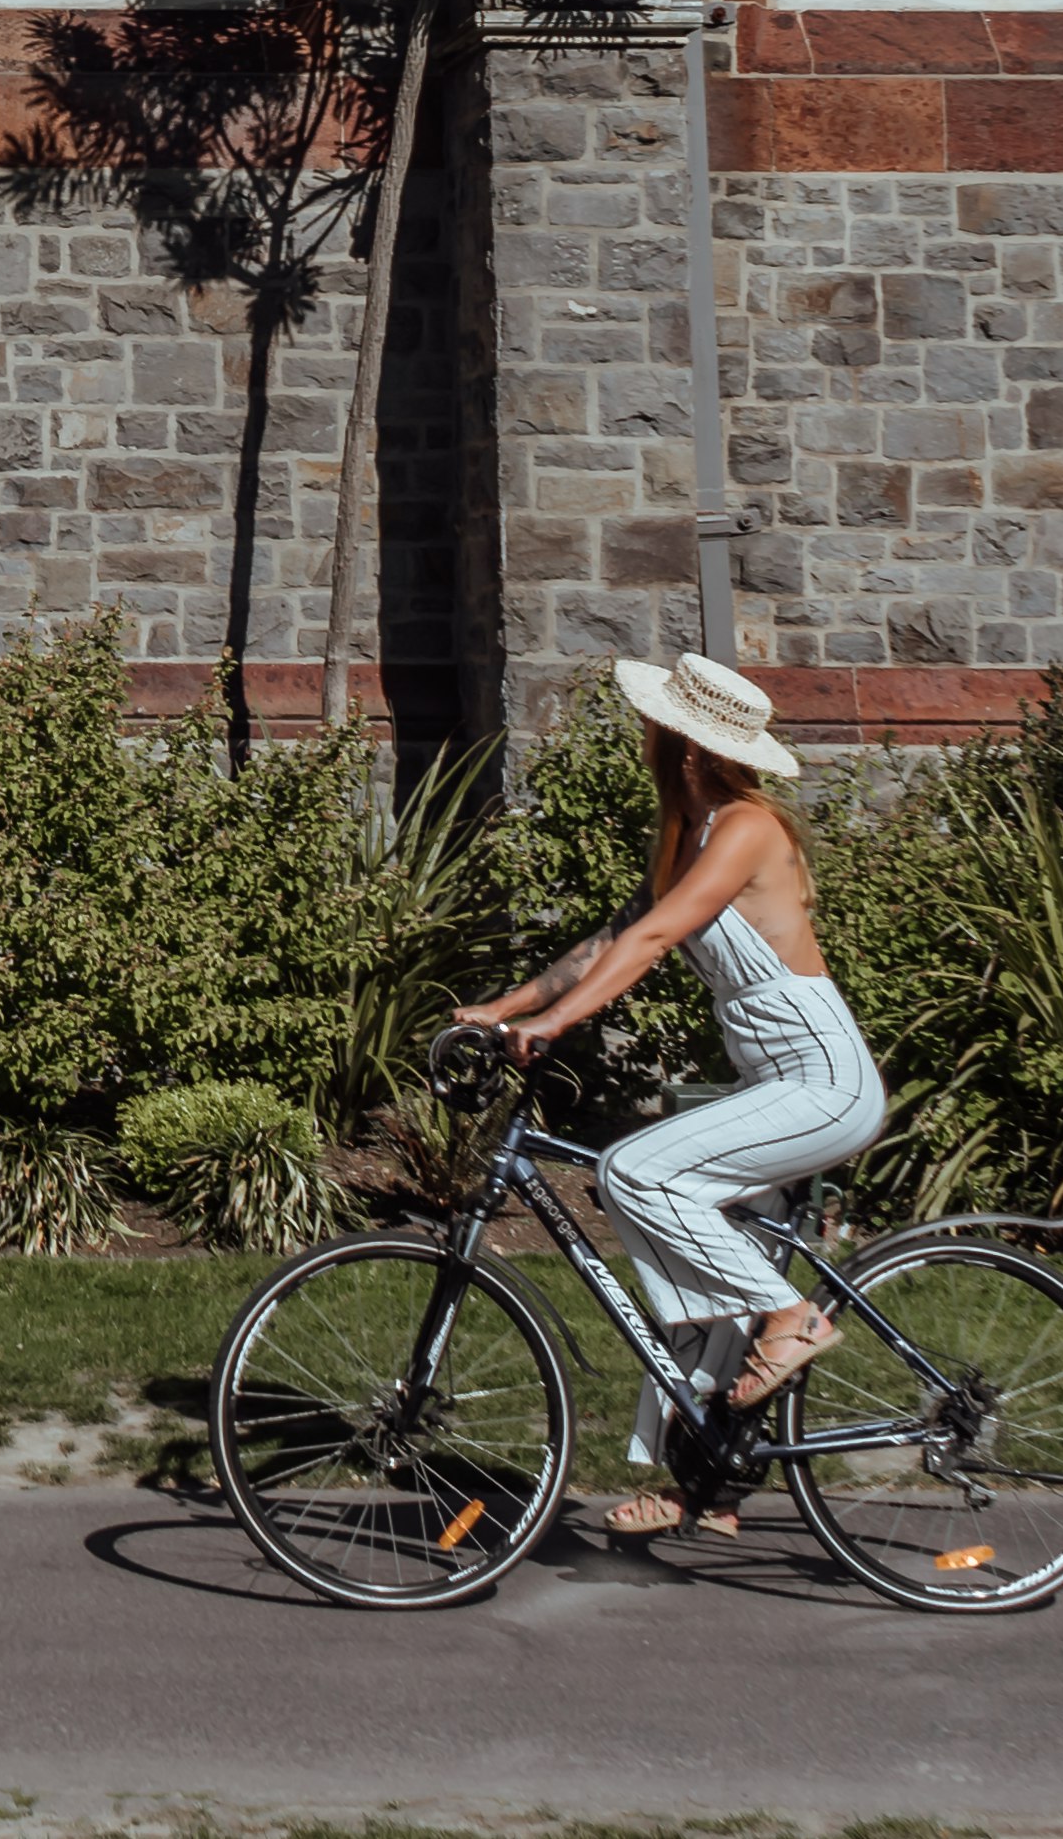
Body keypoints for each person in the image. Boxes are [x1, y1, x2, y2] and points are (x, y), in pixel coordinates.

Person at [446, 649, 888, 1541]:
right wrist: (509, 1007)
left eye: (653, 725)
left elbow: (653, 938)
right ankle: (706, 1490)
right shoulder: (689, 834)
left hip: (824, 1083)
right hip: (779, 1083)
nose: (641, 735)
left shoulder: (745, 828)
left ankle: (793, 1320)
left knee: (636, 1172)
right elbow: (611, 936)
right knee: (694, 1284)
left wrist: (558, 1025)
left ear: (682, 744)